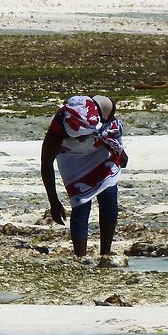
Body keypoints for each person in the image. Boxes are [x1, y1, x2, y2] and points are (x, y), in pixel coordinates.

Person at [41, 95, 128, 257]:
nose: (81, 137)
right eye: (77, 134)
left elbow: (113, 131)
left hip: (99, 149)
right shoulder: (58, 129)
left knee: (109, 197)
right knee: (81, 204)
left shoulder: (103, 106)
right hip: (72, 157)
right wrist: (54, 202)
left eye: (84, 133)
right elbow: (46, 165)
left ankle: (106, 254)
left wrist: (121, 152)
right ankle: (80, 257)